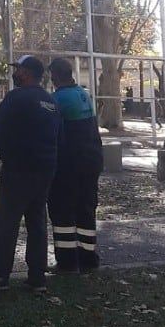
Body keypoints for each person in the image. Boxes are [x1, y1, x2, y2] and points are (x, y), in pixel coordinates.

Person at [0, 55, 61, 294]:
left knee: (6, 223)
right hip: (45, 171)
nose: (15, 73)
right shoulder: (50, 101)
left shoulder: (15, 98)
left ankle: (0, 275)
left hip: (18, 170)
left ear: (27, 72)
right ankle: (37, 278)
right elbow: (58, 135)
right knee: (37, 223)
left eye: (18, 70)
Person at [47, 56, 103, 272]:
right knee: (86, 209)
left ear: (54, 76)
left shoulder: (57, 100)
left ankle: (67, 261)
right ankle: (88, 258)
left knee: (62, 212)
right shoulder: (84, 94)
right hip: (91, 162)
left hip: (68, 165)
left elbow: (53, 133)